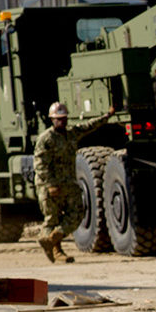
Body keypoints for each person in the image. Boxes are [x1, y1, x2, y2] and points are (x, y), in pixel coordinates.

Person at [32, 101, 112, 263]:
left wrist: (107, 116)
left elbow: (90, 125)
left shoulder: (71, 133)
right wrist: (50, 185)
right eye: (58, 118)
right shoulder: (46, 138)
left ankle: (53, 238)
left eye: (64, 118)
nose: (62, 121)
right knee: (52, 218)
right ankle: (57, 251)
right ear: (52, 119)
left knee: (77, 213)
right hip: (50, 185)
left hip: (68, 183)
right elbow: (40, 164)